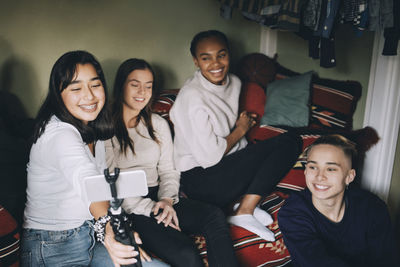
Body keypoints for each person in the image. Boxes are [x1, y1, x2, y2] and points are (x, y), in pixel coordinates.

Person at [21, 51, 164, 267]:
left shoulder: (92, 129)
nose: (89, 96)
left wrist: (120, 237)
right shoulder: (59, 134)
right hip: (51, 248)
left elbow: (102, 185)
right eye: (76, 88)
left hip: (88, 238)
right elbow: (88, 182)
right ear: (58, 94)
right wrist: (110, 229)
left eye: (95, 85)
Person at [169, 30, 302, 241]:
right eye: (206, 58)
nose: (216, 64)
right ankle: (244, 211)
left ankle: (241, 205)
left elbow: (225, 132)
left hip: (223, 167)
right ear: (196, 61)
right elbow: (209, 157)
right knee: (288, 142)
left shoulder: (235, 82)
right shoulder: (192, 97)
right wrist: (241, 129)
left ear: (229, 55)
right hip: (199, 181)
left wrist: (241, 132)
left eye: (221, 55)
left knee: (287, 143)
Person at [105, 58, 238, 267]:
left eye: (148, 86)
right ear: (121, 86)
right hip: (130, 206)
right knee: (185, 253)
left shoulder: (157, 124)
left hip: (159, 196)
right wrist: (151, 208)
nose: (142, 92)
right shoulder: (105, 129)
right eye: (135, 84)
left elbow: (169, 169)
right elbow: (109, 183)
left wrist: (166, 200)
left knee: (214, 216)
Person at [278, 134, 399, 266]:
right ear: (305, 171)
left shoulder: (372, 207)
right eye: (313, 167)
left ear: (349, 176)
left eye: (330, 169)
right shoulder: (292, 212)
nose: (319, 176)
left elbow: (386, 260)